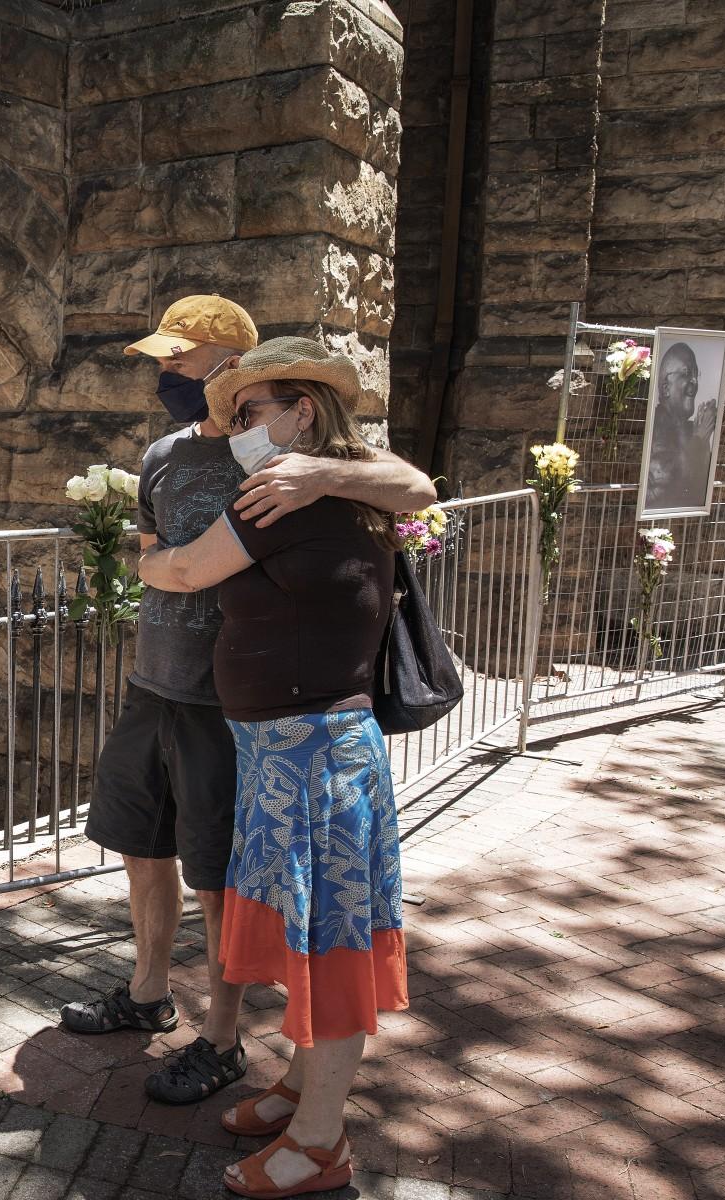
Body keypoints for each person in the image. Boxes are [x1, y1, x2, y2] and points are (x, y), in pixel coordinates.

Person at [59, 296, 433, 1111]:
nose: (165, 374)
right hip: (157, 689)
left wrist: (323, 472)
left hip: (241, 713)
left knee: (225, 878)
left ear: (234, 365)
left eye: (179, 359)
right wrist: (154, 564)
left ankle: (224, 1037)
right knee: (141, 845)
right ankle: (149, 989)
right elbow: (159, 550)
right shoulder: (164, 455)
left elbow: (413, 485)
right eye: (161, 359)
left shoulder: (289, 466)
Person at [139, 337, 410, 1199]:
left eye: (253, 412)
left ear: (303, 410)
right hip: (286, 754)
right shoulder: (324, 488)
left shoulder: (299, 494)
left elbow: (185, 569)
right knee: (311, 936)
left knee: (330, 946)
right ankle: (299, 1089)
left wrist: (139, 556)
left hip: (315, 756)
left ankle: (323, 1142)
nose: (241, 430)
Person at [645, 341, 718, 512]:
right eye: (686, 373)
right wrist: (699, 440)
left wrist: (700, 438)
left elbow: (697, 489)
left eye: (695, 374)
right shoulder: (657, 428)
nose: (694, 381)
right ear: (665, 388)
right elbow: (665, 491)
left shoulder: (692, 429)